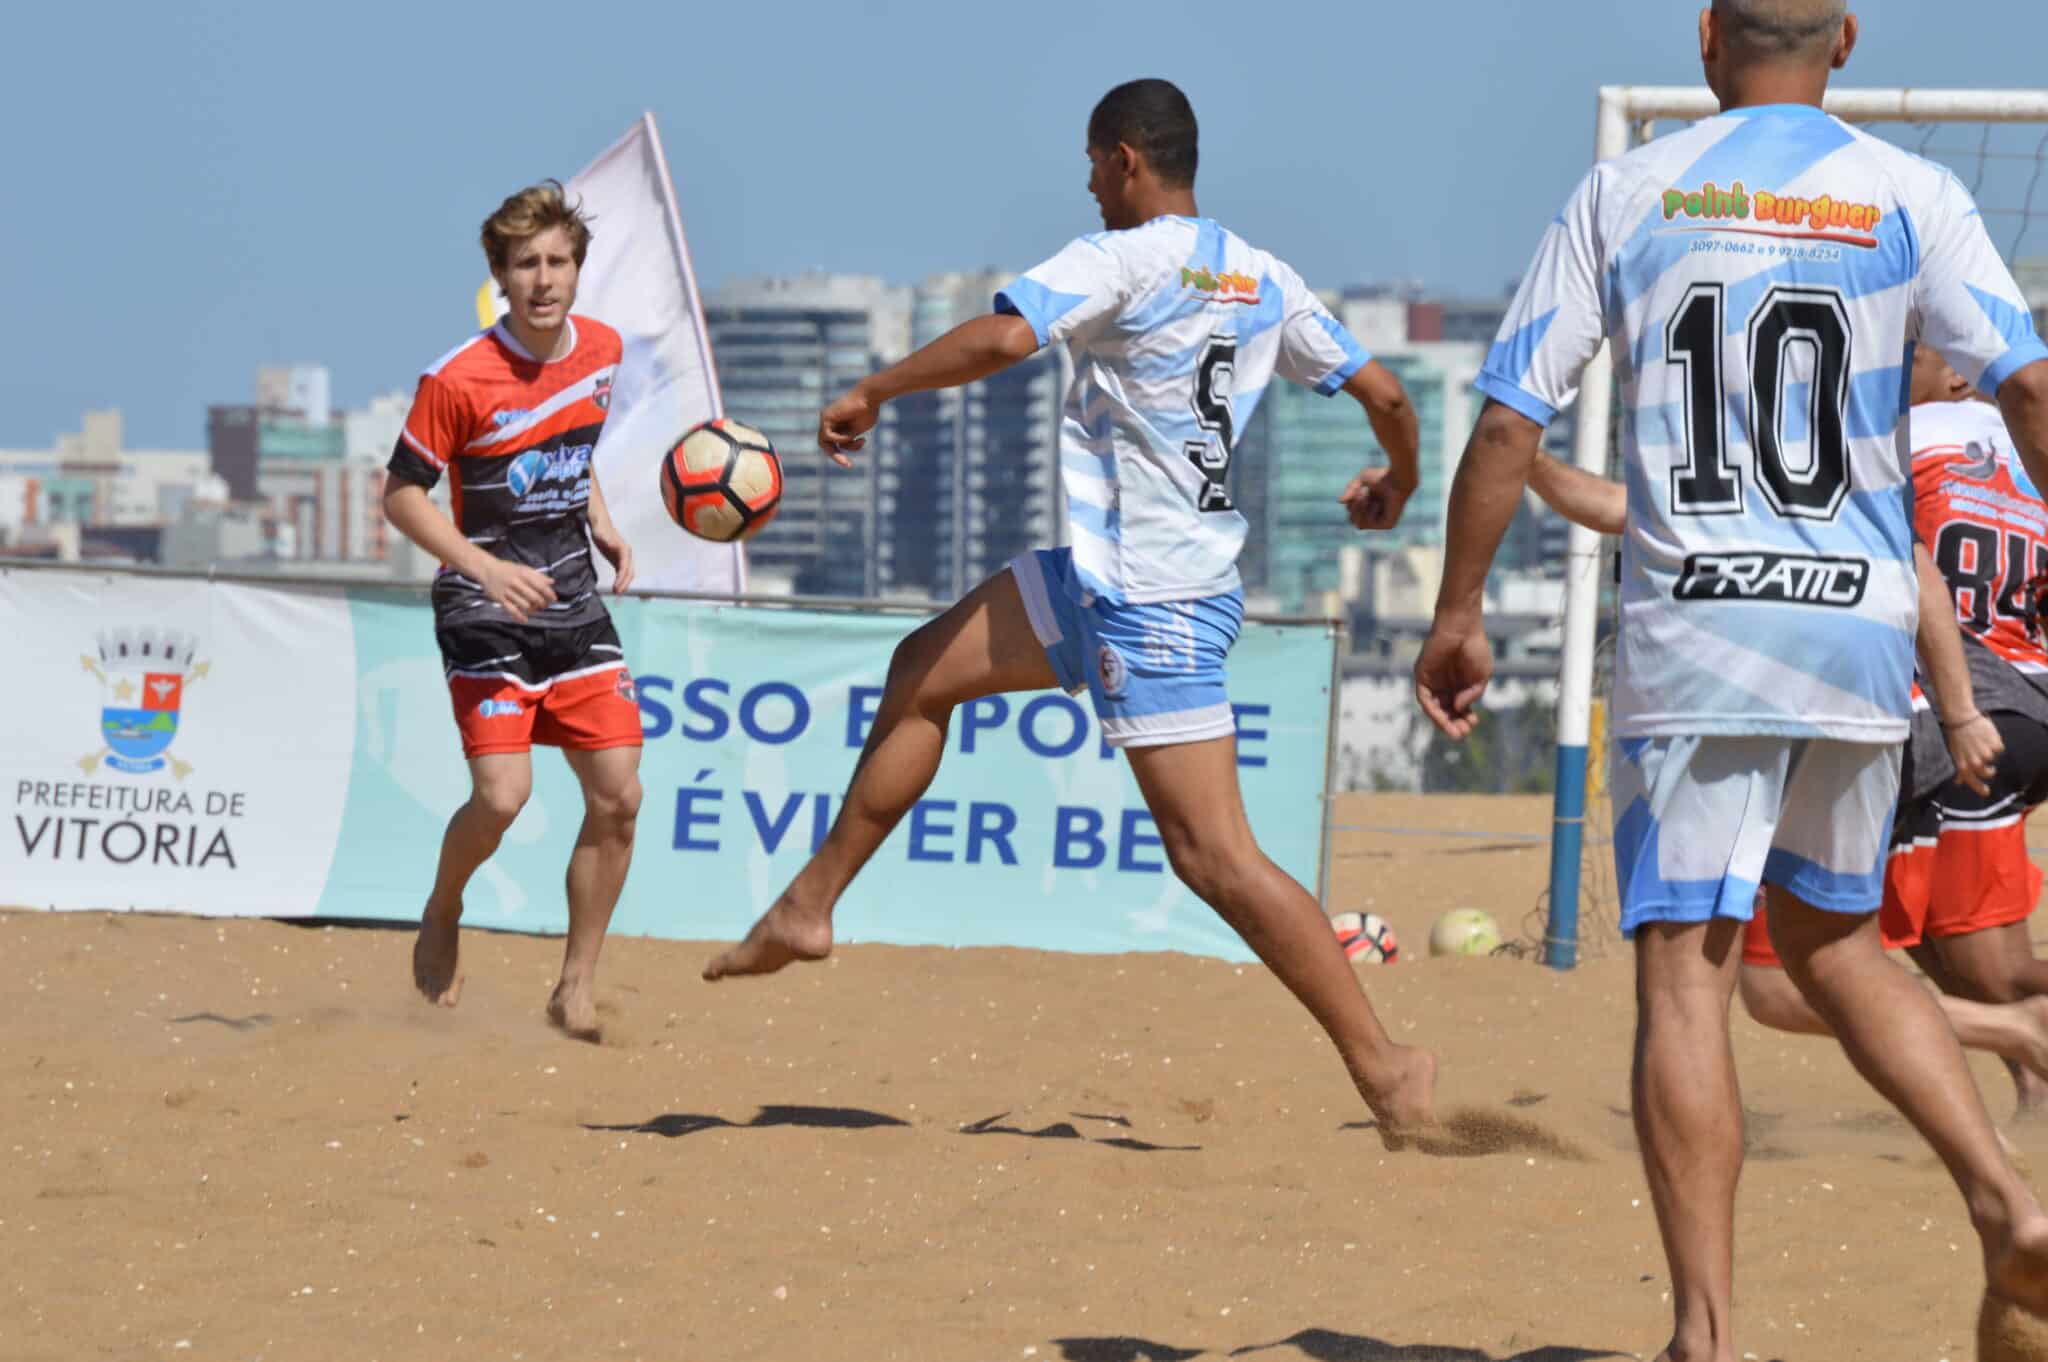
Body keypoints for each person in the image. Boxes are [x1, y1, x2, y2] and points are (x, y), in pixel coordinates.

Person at [1413, 2, 2048, 1357]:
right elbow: (2032, 392)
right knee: (1836, 942)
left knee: (1687, 982)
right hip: (1865, 629)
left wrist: (1460, 609)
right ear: (1849, 43)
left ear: (1707, 40)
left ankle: (1704, 1336)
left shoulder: (1630, 189)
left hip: (1699, 632)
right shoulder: (1911, 192)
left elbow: (1513, 419)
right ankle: (2005, 1199)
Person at [703, 78, 1439, 1140]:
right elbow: (1387, 398)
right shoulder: (1261, 274)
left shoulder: (1118, 258)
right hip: (1100, 576)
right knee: (923, 670)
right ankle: (808, 906)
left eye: (1094, 164)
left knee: (1213, 858)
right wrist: (1398, 481)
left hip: (1156, 599)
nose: (1087, 185)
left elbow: (1005, 341)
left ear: (1127, 159)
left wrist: (876, 390)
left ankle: (1386, 1068)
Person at [1523, 373, 2048, 1107]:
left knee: (1780, 984)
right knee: (1938, 957)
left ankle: (2018, 1043)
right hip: (1962, 726)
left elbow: (1626, 506)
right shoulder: (1987, 452)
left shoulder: (1873, 440)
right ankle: (2013, 1114)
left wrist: (1523, 454)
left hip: (1866, 724)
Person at [383, 182, 645, 1043]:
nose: (544, 279)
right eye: (526, 263)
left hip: (573, 603)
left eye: (558, 261)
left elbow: (571, 445)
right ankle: (444, 905)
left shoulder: (603, 350)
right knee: (503, 796)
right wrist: (485, 567)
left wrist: (600, 520)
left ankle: (576, 984)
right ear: (499, 274)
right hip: (482, 606)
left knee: (619, 796)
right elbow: (402, 496)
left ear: (577, 269)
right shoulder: (456, 378)